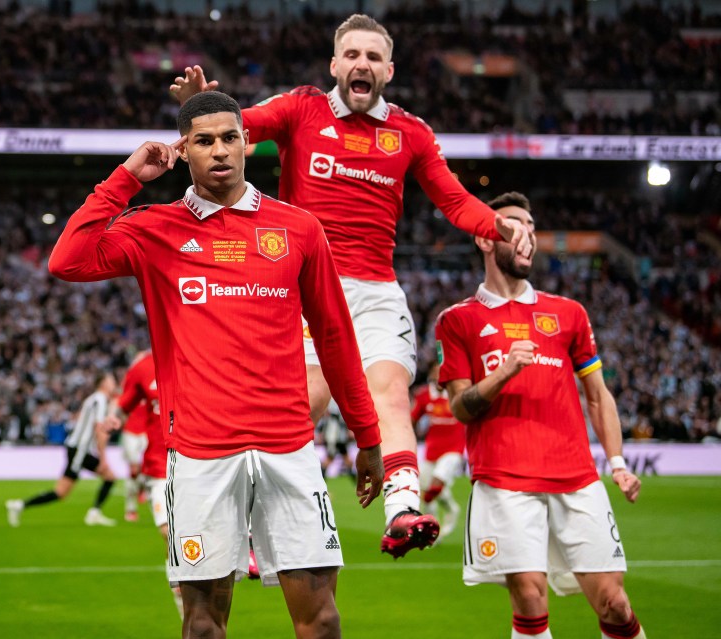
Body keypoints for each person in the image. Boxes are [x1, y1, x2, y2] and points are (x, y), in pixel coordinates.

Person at [169, 13, 531, 558]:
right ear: (335, 64)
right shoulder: (302, 108)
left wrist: (498, 226)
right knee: (305, 402)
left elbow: (454, 200)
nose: (363, 64)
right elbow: (239, 131)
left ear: (389, 69)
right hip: (306, 287)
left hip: (376, 289)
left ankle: (404, 509)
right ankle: (247, 522)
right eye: (353, 55)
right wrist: (205, 107)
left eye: (373, 57)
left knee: (387, 391)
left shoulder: (410, 132)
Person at [48, 91, 384, 639]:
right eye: (203, 141)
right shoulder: (153, 228)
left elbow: (336, 338)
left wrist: (367, 435)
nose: (220, 150)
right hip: (202, 451)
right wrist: (128, 177)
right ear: (185, 150)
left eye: (230, 137)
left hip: (289, 447)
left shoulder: (299, 228)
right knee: (203, 625)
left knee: (321, 621)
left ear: (247, 142)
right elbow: (67, 260)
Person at [434, 192, 646, 639]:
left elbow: (597, 394)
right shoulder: (458, 320)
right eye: (514, 225)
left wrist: (619, 464)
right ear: (486, 239)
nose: (527, 234)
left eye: (532, 226)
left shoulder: (568, 313)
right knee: (530, 599)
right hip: (504, 480)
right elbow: (459, 406)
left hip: (577, 478)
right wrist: (505, 372)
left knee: (615, 603)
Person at [114, 350, 185, 618]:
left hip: (198, 461)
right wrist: (114, 420)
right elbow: (124, 405)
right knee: (168, 531)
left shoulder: (198, 350)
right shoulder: (142, 368)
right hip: (159, 466)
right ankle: (178, 584)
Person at [6, 372, 121, 527]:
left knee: (62, 492)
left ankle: (19, 505)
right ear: (103, 383)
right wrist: (103, 459)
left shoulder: (94, 399)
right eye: (111, 380)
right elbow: (99, 429)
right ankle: (94, 513)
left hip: (77, 449)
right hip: (80, 451)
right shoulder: (100, 400)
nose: (114, 383)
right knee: (106, 477)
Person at [410, 363, 465, 542]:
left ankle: (441, 522)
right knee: (425, 492)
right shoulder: (425, 396)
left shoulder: (459, 392)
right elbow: (413, 419)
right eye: (436, 372)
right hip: (431, 450)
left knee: (434, 488)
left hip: (454, 449)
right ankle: (435, 525)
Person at [118, 350, 153, 522]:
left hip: (147, 431)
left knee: (147, 469)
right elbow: (122, 403)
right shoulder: (130, 382)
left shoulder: (152, 381)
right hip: (131, 431)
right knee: (133, 469)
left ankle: (142, 490)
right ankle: (130, 507)